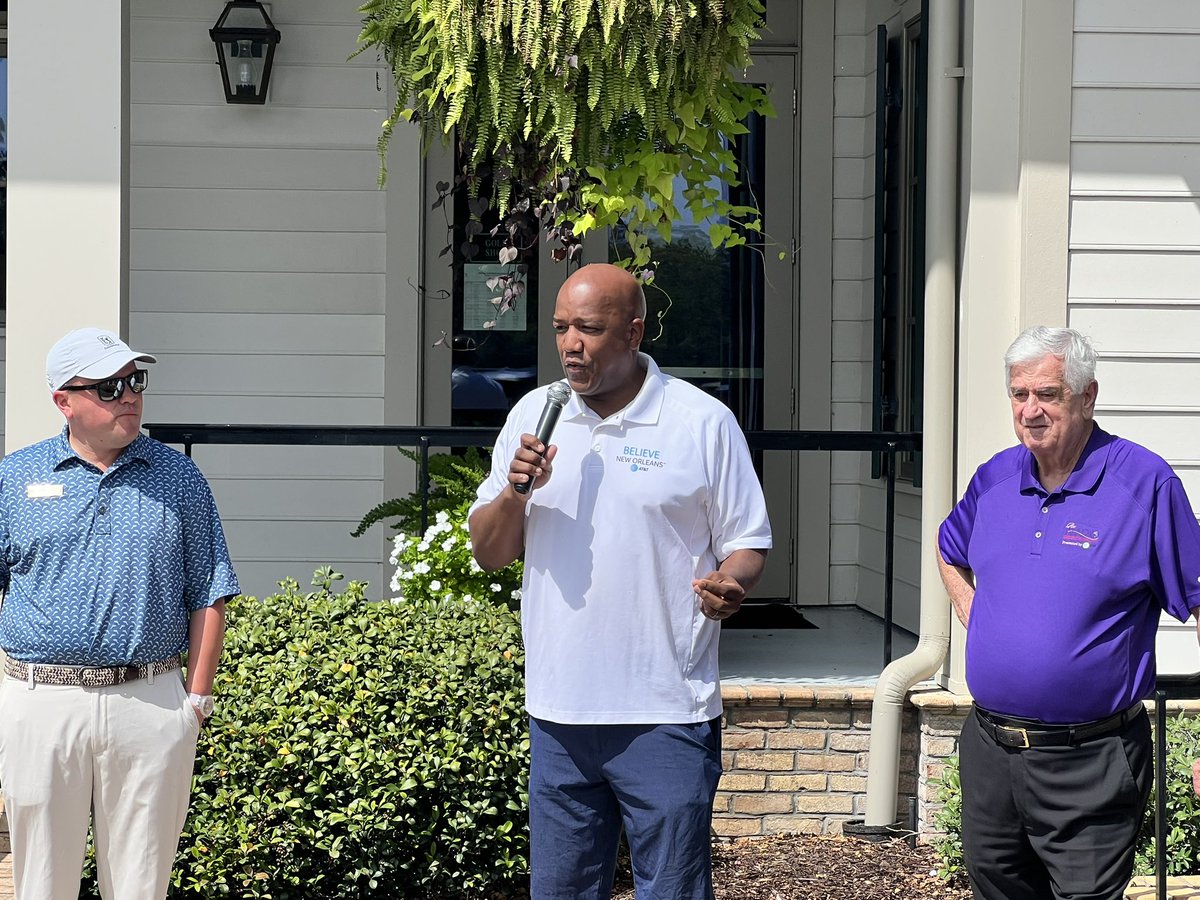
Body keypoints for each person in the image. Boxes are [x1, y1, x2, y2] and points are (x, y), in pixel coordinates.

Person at [469, 263, 771, 899]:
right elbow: (490, 552)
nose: (570, 344)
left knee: (673, 890)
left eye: (589, 328)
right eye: (560, 329)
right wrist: (516, 493)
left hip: (664, 710)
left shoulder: (702, 422)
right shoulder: (534, 413)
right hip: (558, 710)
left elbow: (747, 542)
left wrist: (730, 583)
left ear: (633, 333)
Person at [937, 326, 1200, 900]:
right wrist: (971, 609)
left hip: (1092, 759)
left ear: (1087, 397)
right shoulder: (995, 479)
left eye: (1048, 394)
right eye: (1018, 394)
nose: (1030, 410)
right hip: (990, 751)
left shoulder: (1144, 483)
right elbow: (948, 547)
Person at [0, 327, 239, 900]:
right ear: (65, 400)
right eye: (108, 387)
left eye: (135, 381)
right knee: (41, 883)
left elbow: (210, 589)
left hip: (149, 700)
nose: (128, 396)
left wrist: (195, 703)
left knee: (141, 884)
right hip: (40, 701)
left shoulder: (178, 477)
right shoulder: (15, 477)